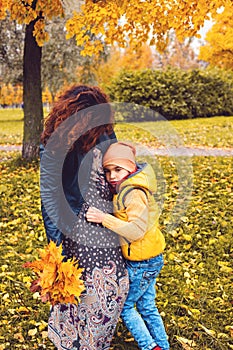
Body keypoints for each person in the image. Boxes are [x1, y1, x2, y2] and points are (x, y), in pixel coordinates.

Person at [40, 85, 129, 350]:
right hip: (76, 223)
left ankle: (94, 339)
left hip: (104, 217)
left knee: (111, 286)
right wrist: (56, 249)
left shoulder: (104, 131)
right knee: (75, 287)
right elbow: (51, 195)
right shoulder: (55, 144)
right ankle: (72, 340)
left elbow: (119, 164)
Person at [86, 142, 170, 350]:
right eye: (108, 171)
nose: (112, 175)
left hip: (143, 262)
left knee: (125, 307)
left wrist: (104, 218)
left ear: (131, 168)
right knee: (147, 306)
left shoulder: (133, 193)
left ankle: (150, 346)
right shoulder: (125, 188)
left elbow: (135, 231)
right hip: (150, 257)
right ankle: (163, 345)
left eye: (118, 169)